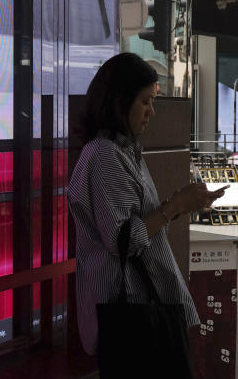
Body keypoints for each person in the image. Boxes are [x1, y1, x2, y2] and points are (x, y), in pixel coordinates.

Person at [68, 52, 224, 367]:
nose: (152, 112)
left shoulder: (124, 151)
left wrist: (179, 204)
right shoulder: (106, 156)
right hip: (135, 318)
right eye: (145, 102)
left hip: (140, 315)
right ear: (118, 101)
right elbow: (124, 240)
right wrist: (175, 205)